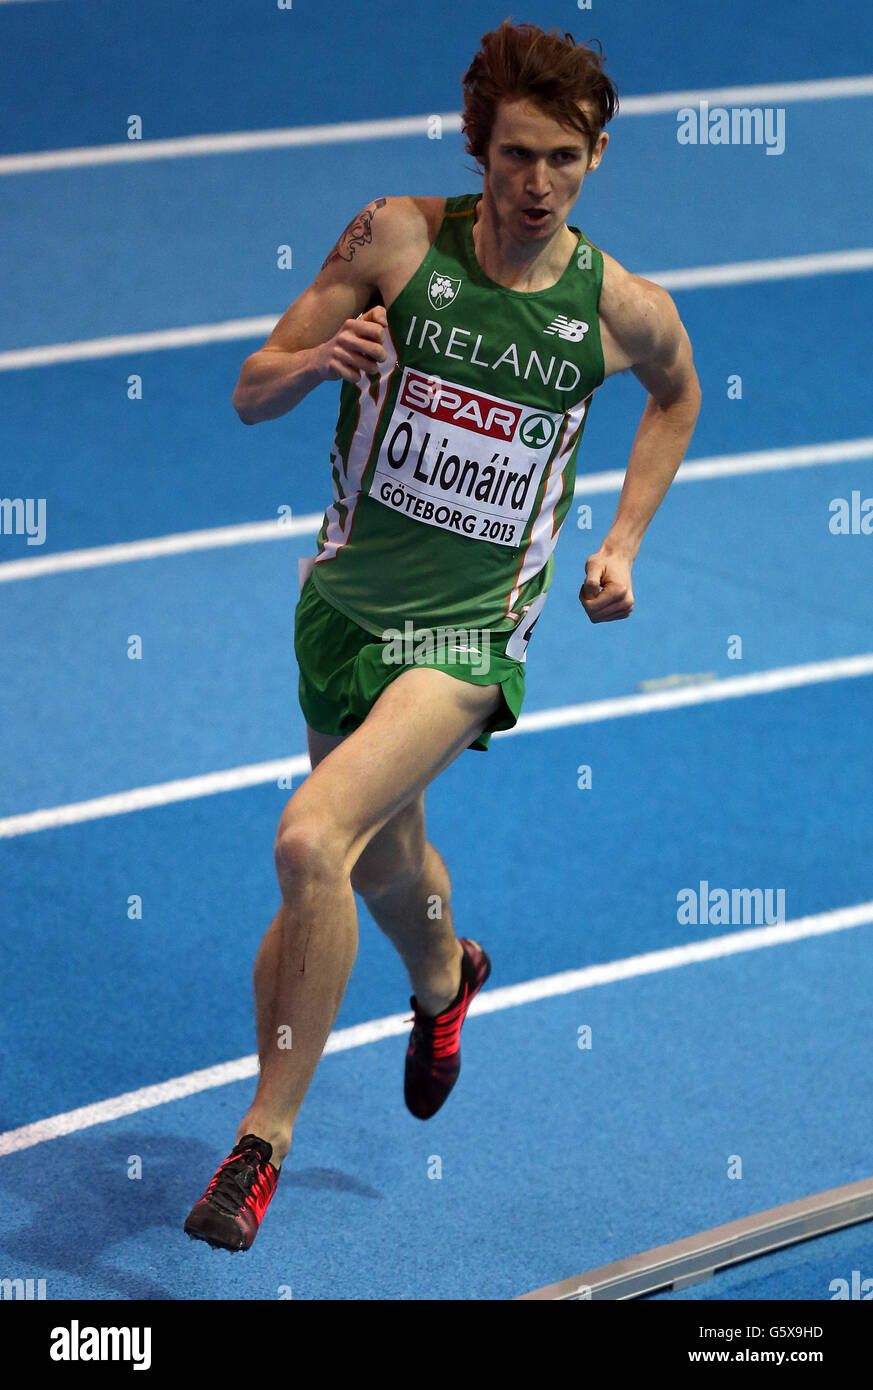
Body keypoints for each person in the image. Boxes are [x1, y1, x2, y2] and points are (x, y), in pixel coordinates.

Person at [184, 19, 701, 1252]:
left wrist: (624, 540)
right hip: (343, 614)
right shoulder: (398, 240)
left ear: (594, 156)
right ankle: (445, 978)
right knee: (381, 863)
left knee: (312, 841)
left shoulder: (619, 309)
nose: (536, 185)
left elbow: (679, 395)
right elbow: (251, 385)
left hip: (468, 637)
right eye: (516, 156)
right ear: (480, 149)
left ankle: (261, 1140)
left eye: (563, 159)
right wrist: (319, 363)